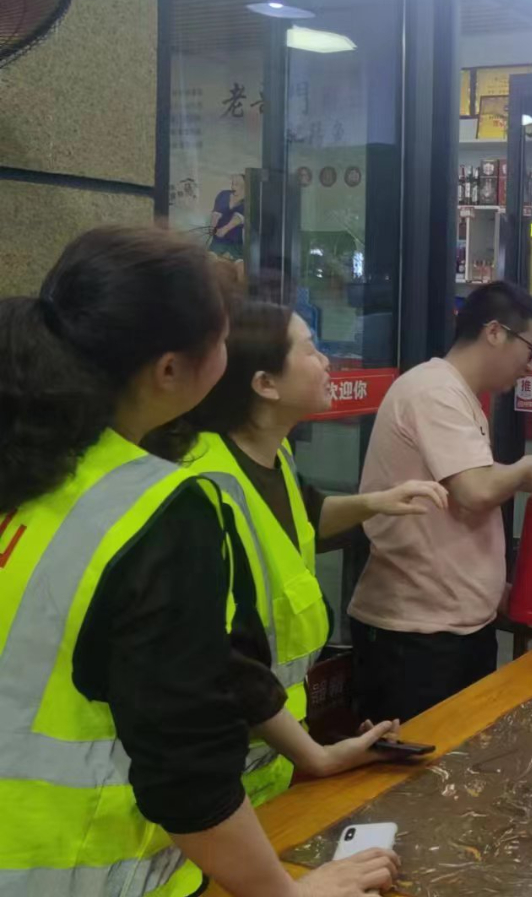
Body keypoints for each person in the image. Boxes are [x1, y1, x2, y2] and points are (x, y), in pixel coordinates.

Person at [0, 227, 397, 897]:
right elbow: (185, 766)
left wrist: (313, 755)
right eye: (222, 336)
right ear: (169, 371)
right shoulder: (159, 507)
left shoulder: (34, 457)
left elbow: (208, 664)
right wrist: (289, 893)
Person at [182, 299, 449, 805]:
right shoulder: (201, 486)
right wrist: (318, 756)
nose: (327, 362)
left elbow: (304, 517)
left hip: (266, 759)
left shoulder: (273, 455)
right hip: (213, 775)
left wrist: (377, 502)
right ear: (265, 384)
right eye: (311, 350)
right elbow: (224, 659)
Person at [348, 281, 532, 721]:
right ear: (494, 332)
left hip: (453, 624)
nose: (530, 365)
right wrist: (523, 470)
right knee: (416, 759)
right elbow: (475, 490)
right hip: (416, 633)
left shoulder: (457, 394)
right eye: (531, 349)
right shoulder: (434, 391)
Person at [210, 173, 246, 260]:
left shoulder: (248, 201)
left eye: (237, 184)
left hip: (236, 244)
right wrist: (212, 227)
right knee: (210, 260)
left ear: (245, 187)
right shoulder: (223, 194)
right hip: (218, 242)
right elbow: (216, 213)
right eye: (232, 183)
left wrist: (225, 229)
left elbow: (238, 218)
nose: (233, 187)